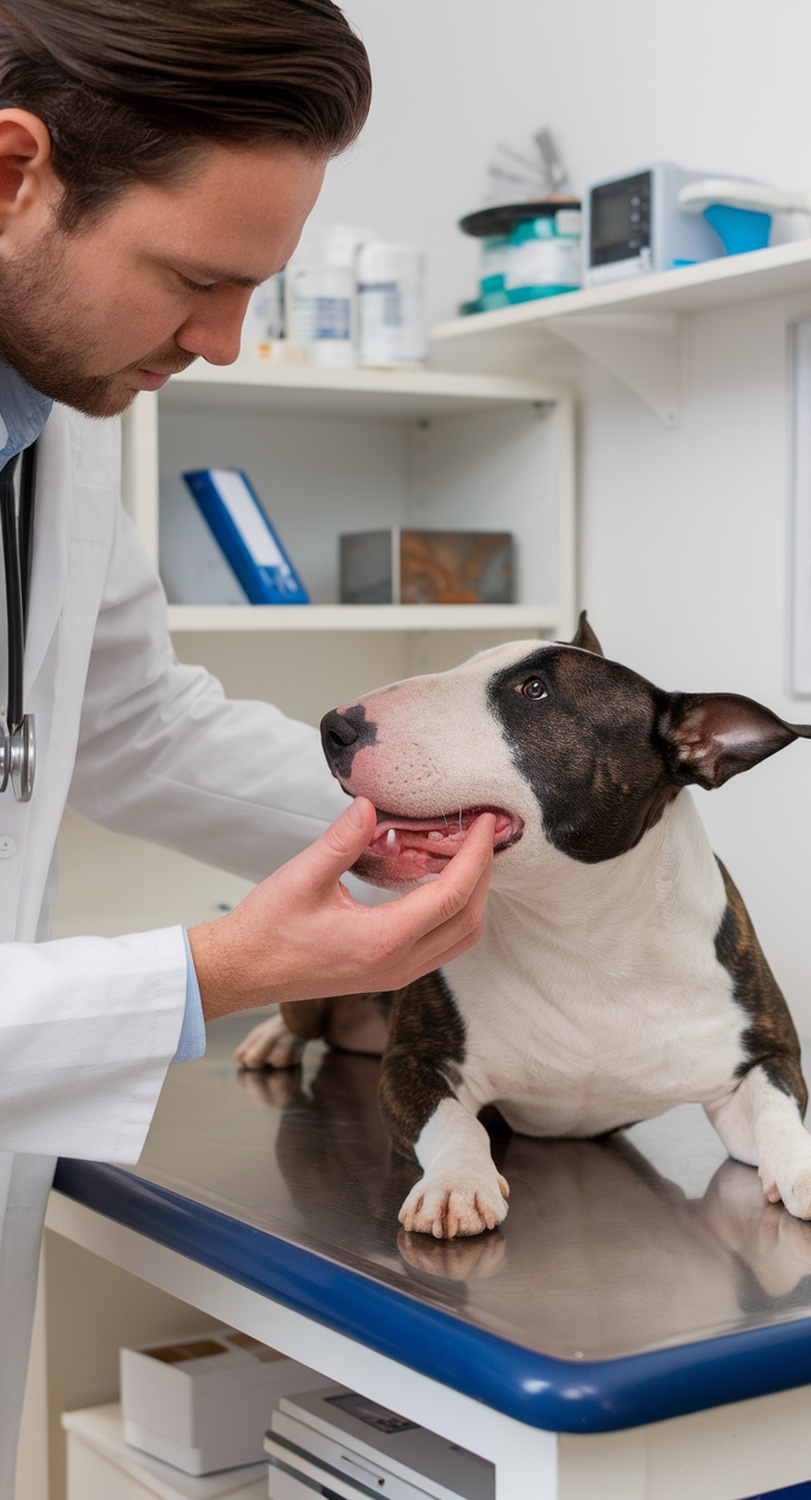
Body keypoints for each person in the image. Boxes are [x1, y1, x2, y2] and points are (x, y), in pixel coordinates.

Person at [0, 2, 496, 1489]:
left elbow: (134, 724)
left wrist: (429, 816)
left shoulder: (59, 412)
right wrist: (224, 971)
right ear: (13, 171)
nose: (219, 343)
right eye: (197, 281)